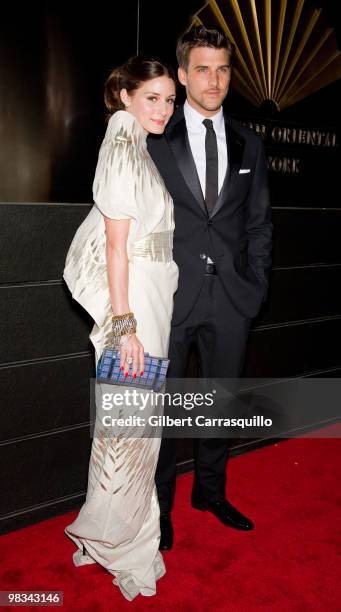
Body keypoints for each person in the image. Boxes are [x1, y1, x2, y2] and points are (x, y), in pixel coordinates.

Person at [147, 25, 273, 550]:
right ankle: (159, 509)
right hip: (170, 297)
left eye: (222, 68)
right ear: (182, 73)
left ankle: (211, 492)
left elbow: (260, 221)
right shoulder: (155, 138)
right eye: (202, 68)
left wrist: (256, 283)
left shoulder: (250, 142)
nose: (214, 80)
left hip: (232, 298)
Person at [63, 56, 178, 600]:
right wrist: (124, 324)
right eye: (151, 96)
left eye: (170, 99)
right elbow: (115, 244)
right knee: (131, 429)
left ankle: (105, 533)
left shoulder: (134, 143)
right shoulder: (123, 145)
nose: (163, 108)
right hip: (134, 309)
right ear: (125, 94)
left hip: (148, 300)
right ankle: (124, 545)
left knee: (125, 426)